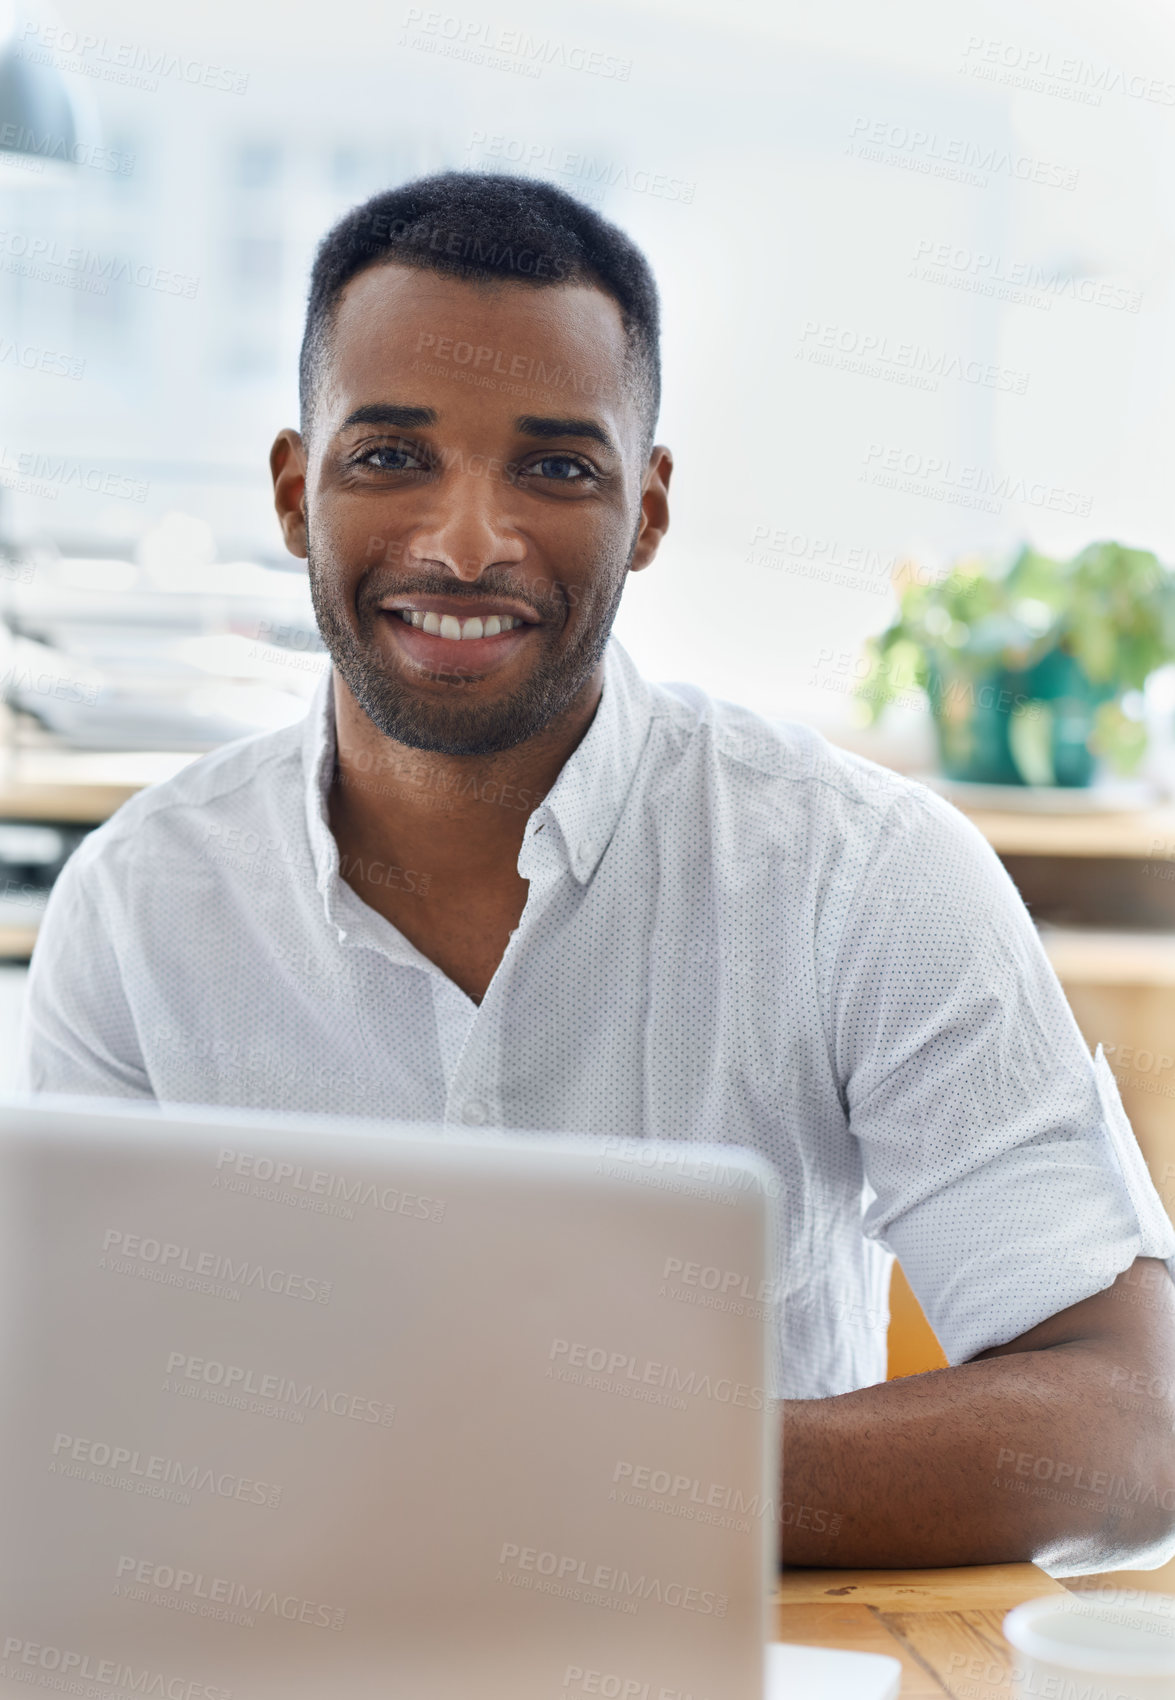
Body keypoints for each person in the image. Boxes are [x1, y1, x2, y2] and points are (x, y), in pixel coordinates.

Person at [19, 172, 1175, 1575]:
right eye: (391, 456)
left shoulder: (867, 877)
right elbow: (87, 1417)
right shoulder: (139, 907)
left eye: (557, 468)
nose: (466, 543)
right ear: (291, 489)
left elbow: (1133, 1429)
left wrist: (608, 1476)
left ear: (648, 511)